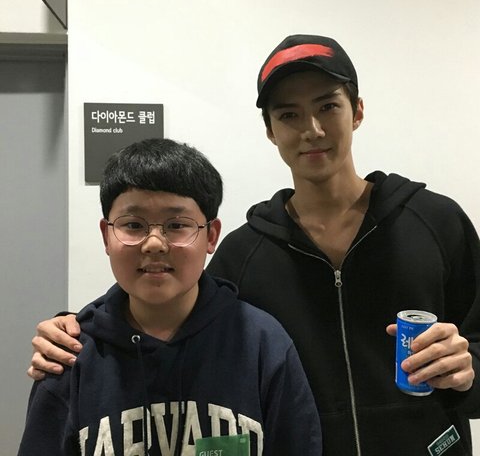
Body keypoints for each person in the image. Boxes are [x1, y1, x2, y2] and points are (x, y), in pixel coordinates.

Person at [28, 35, 480, 455]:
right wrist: (78, 328)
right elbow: (176, 318)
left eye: (328, 106)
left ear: (357, 111)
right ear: (270, 130)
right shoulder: (243, 254)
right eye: (289, 115)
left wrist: (469, 369)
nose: (312, 129)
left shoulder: (436, 223)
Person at [18, 138, 322, 456]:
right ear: (106, 235)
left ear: (211, 236)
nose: (154, 243)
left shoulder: (262, 344)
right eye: (133, 225)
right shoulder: (69, 355)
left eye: (177, 225)